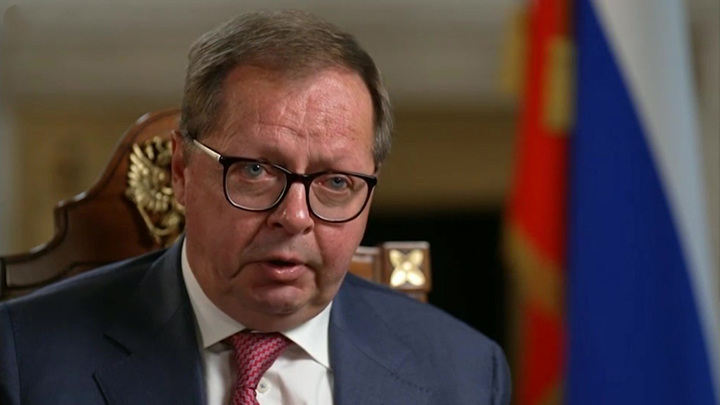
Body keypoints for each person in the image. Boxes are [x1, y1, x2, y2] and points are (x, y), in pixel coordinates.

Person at [0, 10, 511, 405]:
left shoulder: (465, 373)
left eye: (336, 182)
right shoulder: (25, 359)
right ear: (181, 171)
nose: (295, 217)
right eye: (255, 171)